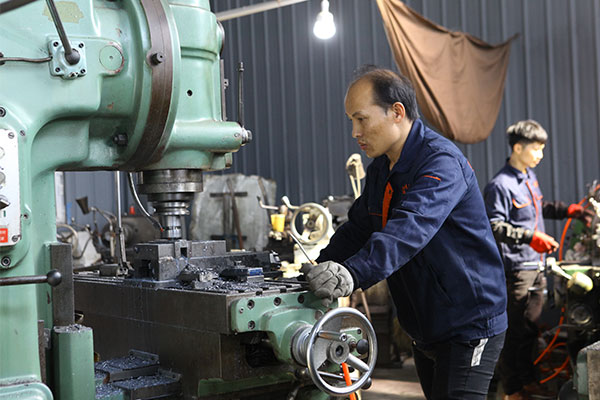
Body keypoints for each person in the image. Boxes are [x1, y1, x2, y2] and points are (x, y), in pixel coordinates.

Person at [301, 65, 508, 399]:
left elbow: (408, 230)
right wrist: (319, 268)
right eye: (351, 121)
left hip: (468, 324)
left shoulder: (440, 162)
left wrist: (352, 273)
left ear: (397, 112)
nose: (355, 132)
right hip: (426, 325)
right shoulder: (382, 169)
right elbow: (358, 228)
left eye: (361, 119)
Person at [483, 120, 590, 399]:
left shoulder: (529, 177)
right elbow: (494, 226)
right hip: (517, 270)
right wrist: (530, 237)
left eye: (542, 148)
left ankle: (528, 380)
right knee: (514, 332)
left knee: (530, 330)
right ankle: (513, 389)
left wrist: (569, 211)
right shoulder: (500, 185)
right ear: (518, 148)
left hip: (537, 267)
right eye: (536, 148)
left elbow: (538, 209)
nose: (541, 154)